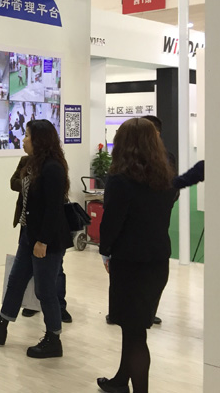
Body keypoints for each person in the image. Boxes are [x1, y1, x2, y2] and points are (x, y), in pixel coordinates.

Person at [96, 118, 178, 393]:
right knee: (133, 329)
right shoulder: (167, 178)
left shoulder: (120, 180)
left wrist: (105, 252)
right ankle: (121, 380)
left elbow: (111, 223)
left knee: (135, 333)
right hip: (157, 261)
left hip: (130, 263)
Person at [0, 119, 72, 359]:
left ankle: (53, 338)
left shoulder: (53, 168)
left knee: (45, 290)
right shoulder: (33, 164)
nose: (24, 139)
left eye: (28, 135)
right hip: (29, 234)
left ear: (40, 140)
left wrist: (43, 241)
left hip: (46, 240)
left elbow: (53, 209)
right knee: (16, 281)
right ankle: (0, 326)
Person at [10, 155, 72, 324]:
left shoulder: (54, 165)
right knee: (23, 272)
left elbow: (53, 202)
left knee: (55, 271)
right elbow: (13, 182)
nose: (24, 142)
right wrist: (30, 184)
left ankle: (60, 306)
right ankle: (31, 305)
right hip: (27, 223)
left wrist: (33, 185)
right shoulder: (25, 161)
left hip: (48, 228)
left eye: (27, 139)